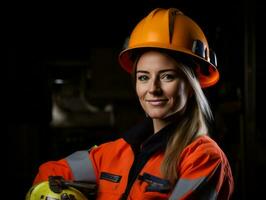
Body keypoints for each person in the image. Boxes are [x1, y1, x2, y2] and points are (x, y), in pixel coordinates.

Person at [27, 8, 234, 200]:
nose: (153, 88)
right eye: (143, 77)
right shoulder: (116, 153)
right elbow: (48, 175)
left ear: (191, 85)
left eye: (167, 76)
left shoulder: (204, 159)